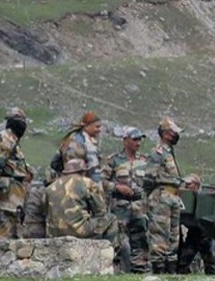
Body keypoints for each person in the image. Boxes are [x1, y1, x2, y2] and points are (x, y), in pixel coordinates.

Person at [144, 117, 199, 274]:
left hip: (174, 198)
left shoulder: (169, 153)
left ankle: (170, 269)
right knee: (160, 236)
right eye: (174, 133)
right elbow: (149, 177)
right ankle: (159, 270)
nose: (176, 137)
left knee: (173, 236)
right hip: (162, 198)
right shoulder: (158, 152)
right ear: (166, 134)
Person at [42, 158, 119, 251]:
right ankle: (107, 251)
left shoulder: (50, 187)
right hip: (80, 232)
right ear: (83, 171)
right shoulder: (88, 183)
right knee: (111, 219)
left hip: (54, 233)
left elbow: (45, 211)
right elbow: (101, 211)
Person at [103, 127, 150, 273]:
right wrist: (117, 187)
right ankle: (120, 271)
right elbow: (100, 182)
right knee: (120, 243)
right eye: (135, 139)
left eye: (140, 139)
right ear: (125, 141)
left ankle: (139, 272)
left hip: (140, 209)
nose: (139, 143)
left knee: (141, 242)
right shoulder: (113, 160)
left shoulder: (144, 161)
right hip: (120, 210)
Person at [0, 107, 32, 239]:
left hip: (15, 194)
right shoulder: (6, 137)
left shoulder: (13, 141)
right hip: (8, 193)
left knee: (14, 234)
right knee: (4, 234)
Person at [52, 111, 103, 184]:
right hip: (81, 185)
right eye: (97, 127)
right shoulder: (88, 144)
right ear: (87, 126)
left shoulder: (68, 139)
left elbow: (54, 163)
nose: (99, 130)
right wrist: (99, 189)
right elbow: (94, 171)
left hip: (64, 183)